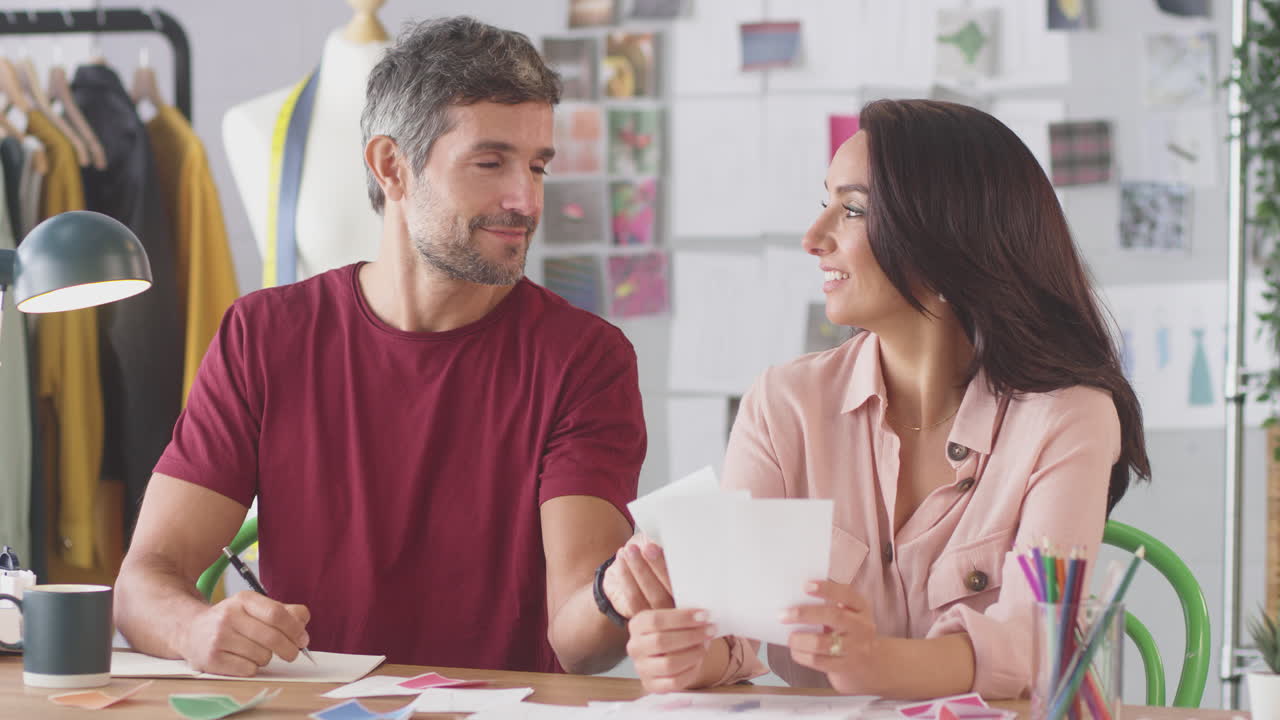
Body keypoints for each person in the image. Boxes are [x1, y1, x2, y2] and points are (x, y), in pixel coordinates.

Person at [114, 16, 646, 677]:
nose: (525, 199)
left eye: (537, 166)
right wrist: (196, 628)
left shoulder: (587, 360)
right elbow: (143, 582)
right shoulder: (263, 337)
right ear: (392, 166)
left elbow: (577, 638)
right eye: (491, 163)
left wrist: (618, 594)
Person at [608, 99, 1150, 699]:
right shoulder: (783, 403)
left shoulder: (1069, 416)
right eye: (825, 204)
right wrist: (684, 654)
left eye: (853, 210)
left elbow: (1034, 644)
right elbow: (729, 634)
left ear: (946, 237)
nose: (814, 238)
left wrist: (872, 663)